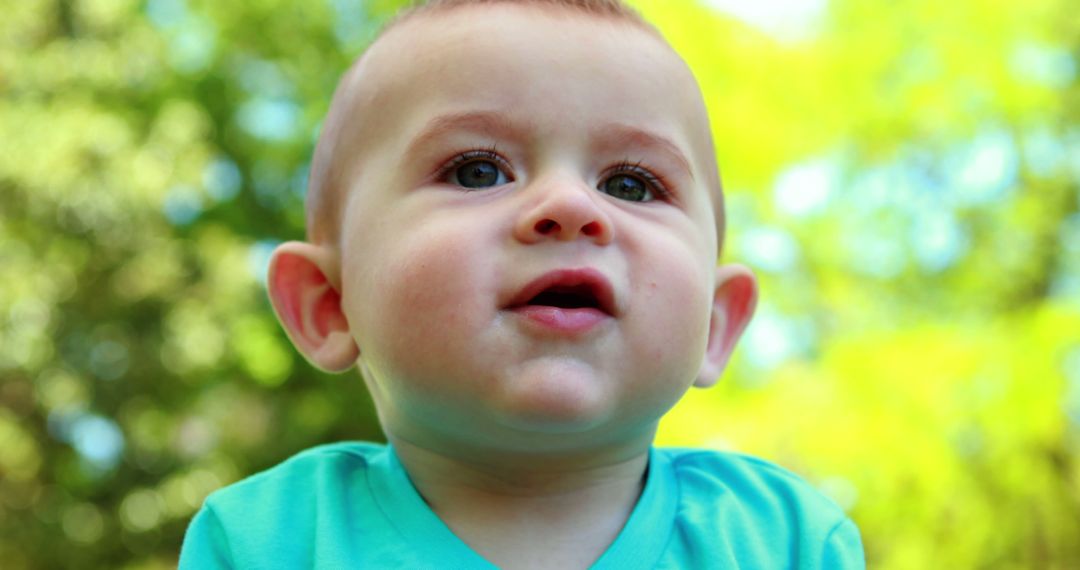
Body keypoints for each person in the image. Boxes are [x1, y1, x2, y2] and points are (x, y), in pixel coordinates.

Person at [179, 0, 865, 567]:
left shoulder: (782, 543)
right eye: (478, 170)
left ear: (716, 326)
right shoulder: (267, 542)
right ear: (329, 304)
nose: (570, 206)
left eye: (631, 184)